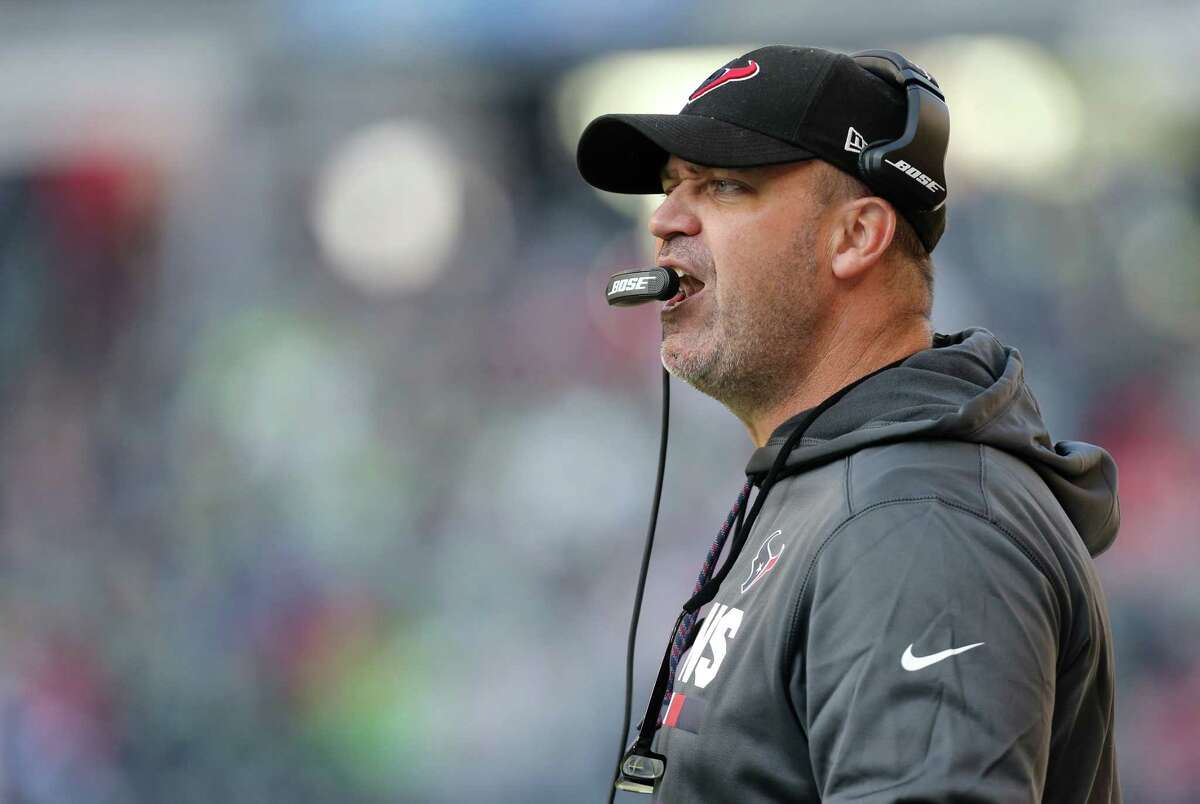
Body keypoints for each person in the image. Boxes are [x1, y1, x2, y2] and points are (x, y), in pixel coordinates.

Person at [576, 45, 1121, 803]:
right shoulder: (839, 486)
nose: (664, 220)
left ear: (857, 236)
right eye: (670, 187)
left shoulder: (916, 520)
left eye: (724, 184)